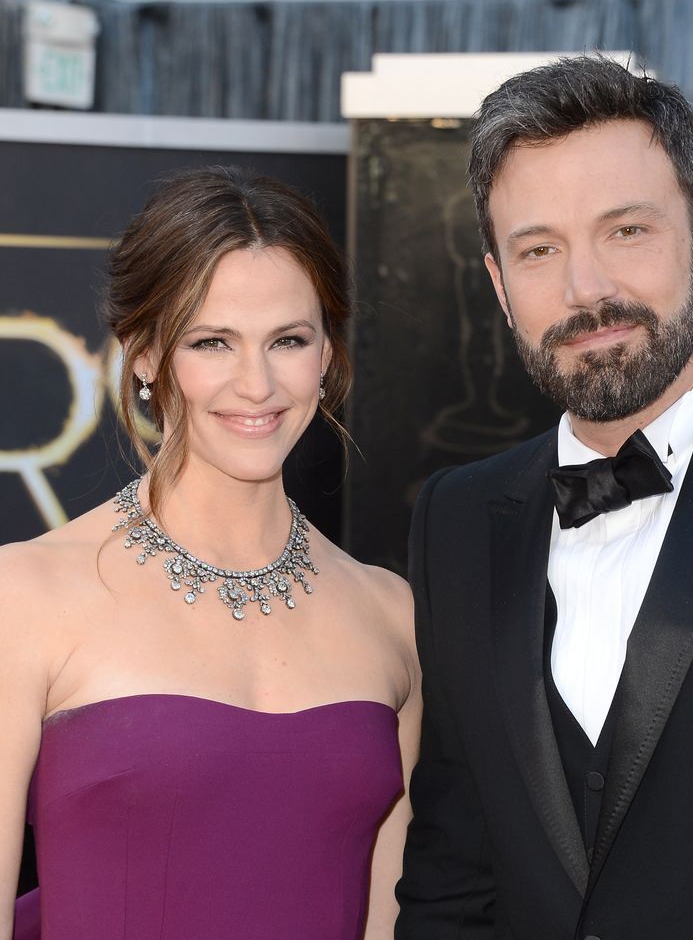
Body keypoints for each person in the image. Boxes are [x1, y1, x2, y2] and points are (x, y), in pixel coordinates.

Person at [395, 56, 693, 938]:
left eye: (625, 231)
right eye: (539, 249)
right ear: (497, 285)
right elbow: (452, 869)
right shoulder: (454, 520)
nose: (584, 289)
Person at [1, 166, 421, 940]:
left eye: (288, 340)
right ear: (146, 357)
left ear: (325, 353)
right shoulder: (23, 595)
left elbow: (390, 916)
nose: (256, 384)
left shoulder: (391, 615)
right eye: (212, 342)